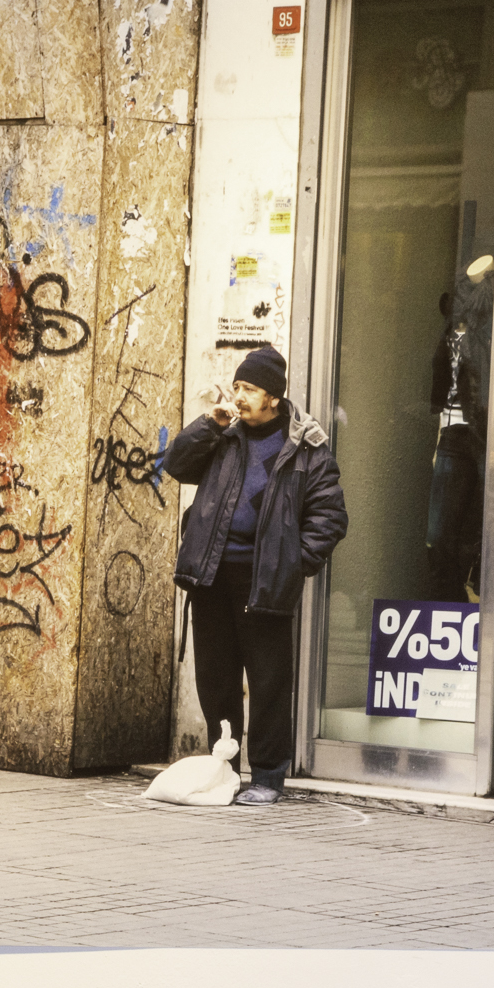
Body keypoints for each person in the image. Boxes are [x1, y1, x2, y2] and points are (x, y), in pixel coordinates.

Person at [164, 345, 347, 806]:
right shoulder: (223, 435)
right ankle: (222, 766)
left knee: (267, 682)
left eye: (249, 389)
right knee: (216, 679)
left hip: (263, 580)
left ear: (274, 397)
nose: (239, 396)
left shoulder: (305, 448)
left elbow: (330, 517)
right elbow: (176, 465)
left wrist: (292, 563)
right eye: (238, 386)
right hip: (211, 575)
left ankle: (267, 776)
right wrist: (210, 424)